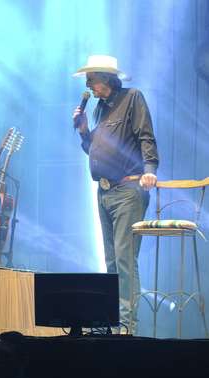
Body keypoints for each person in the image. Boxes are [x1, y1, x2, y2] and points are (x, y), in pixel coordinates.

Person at [72, 55, 159, 333]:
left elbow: (146, 136)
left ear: (107, 78)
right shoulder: (99, 109)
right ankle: (111, 322)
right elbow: (94, 149)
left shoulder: (131, 98)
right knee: (110, 260)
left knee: (124, 258)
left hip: (127, 191)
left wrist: (150, 169)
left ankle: (126, 327)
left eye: (91, 79)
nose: (88, 85)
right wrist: (85, 132)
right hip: (105, 192)